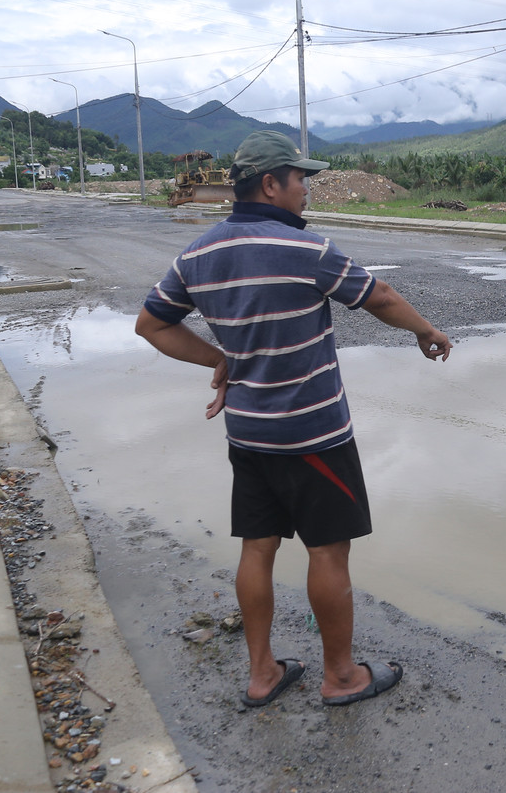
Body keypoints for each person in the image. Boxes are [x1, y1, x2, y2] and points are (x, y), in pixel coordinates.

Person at [135, 130, 451, 708]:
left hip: (248, 436)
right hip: (314, 436)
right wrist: (426, 330)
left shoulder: (197, 255)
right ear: (270, 183)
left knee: (257, 549)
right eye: (300, 178)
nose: (307, 189)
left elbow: (151, 324)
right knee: (327, 551)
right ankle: (342, 676)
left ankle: (262, 675)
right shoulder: (305, 249)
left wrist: (219, 356)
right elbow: (376, 295)